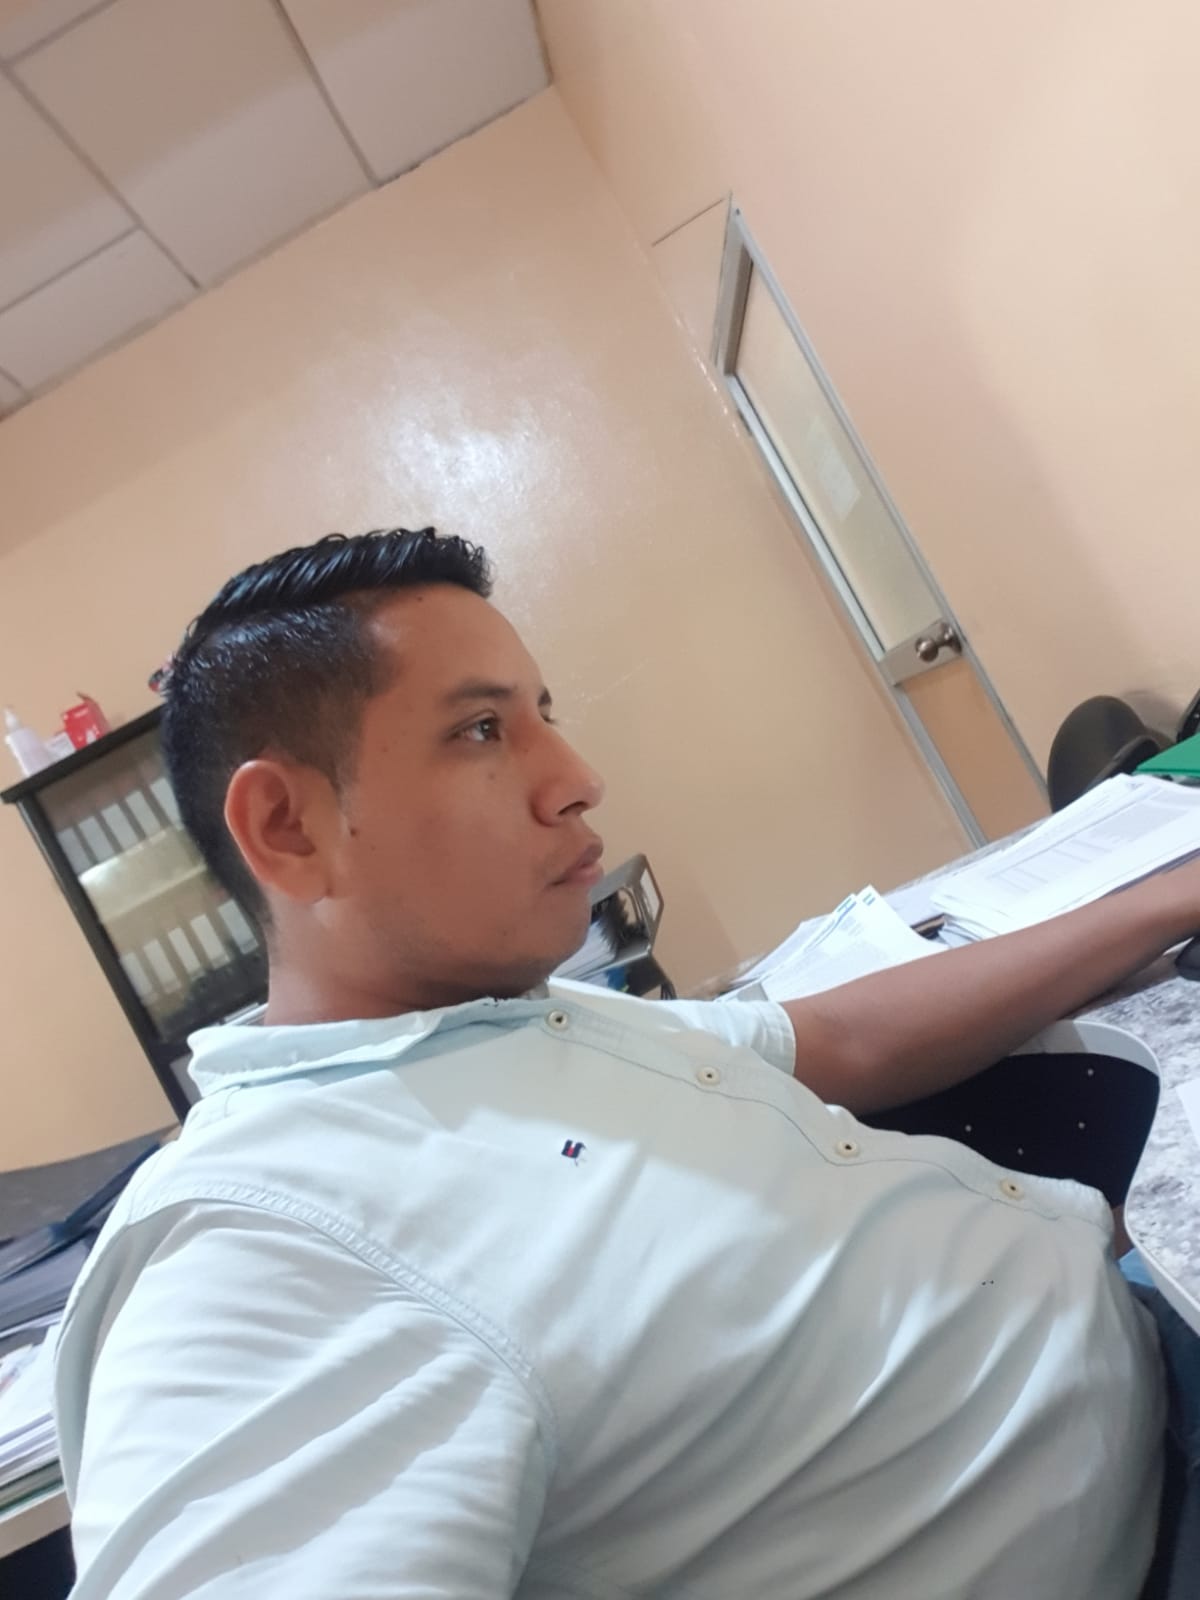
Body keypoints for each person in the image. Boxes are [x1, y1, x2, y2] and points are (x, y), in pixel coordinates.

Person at [53, 528, 1200, 1598]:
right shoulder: (266, 1243)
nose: (576, 776)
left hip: (1146, 1343)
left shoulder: (518, 1020)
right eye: (482, 729)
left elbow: (838, 1038)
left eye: (542, 712)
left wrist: (1167, 898)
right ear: (288, 828)